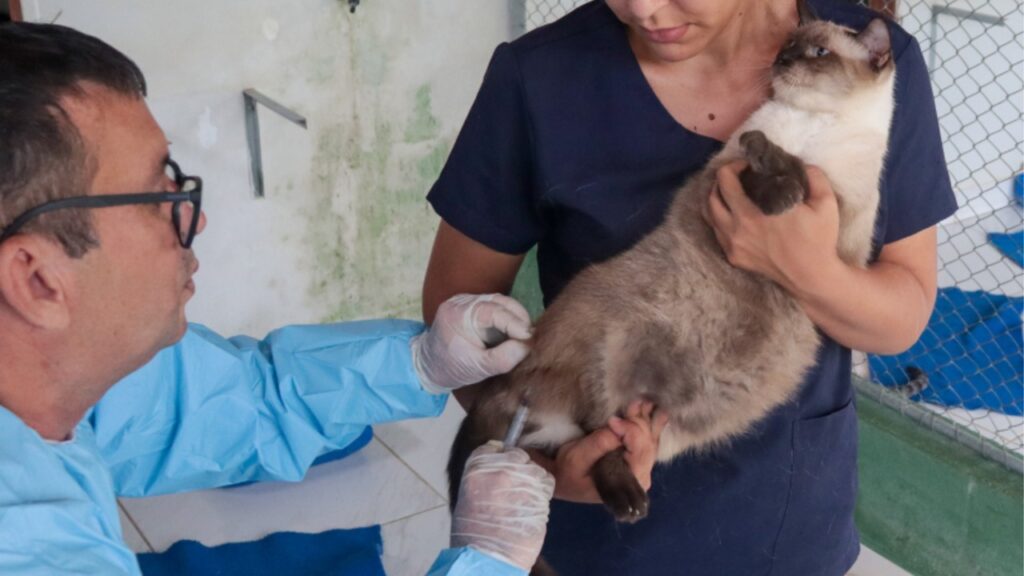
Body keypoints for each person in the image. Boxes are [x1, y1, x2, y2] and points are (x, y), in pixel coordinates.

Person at [0, 22, 562, 576]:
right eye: (154, 195)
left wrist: (416, 364)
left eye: (175, 180)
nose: (194, 217)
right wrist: (487, 565)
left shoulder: (57, 394)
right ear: (37, 280)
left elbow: (227, 403)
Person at [422, 0, 957, 574]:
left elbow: (901, 316)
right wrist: (547, 468)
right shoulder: (539, 75)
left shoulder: (872, 63)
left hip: (783, 519)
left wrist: (809, 271)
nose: (643, 10)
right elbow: (458, 327)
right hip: (598, 510)